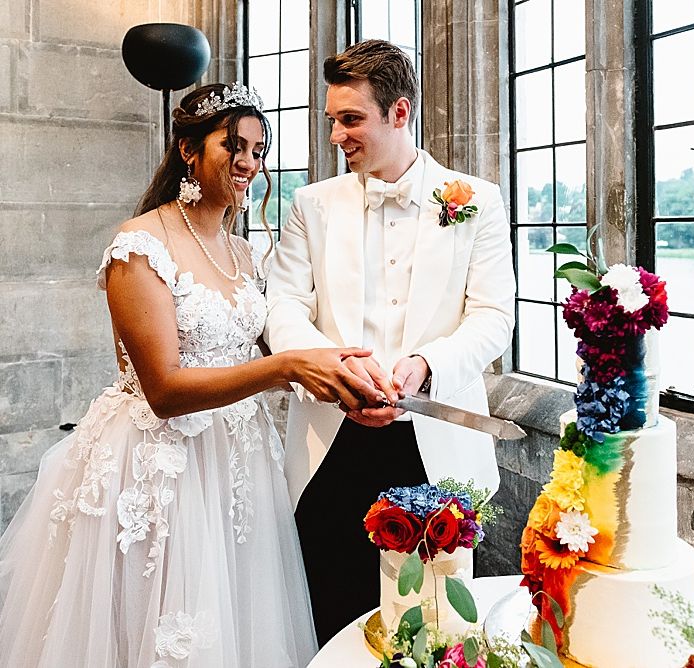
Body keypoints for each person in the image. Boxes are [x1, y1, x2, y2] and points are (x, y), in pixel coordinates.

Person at [0, 82, 383, 667]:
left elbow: (277, 346)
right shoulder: (141, 245)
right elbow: (163, 389)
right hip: (160, 465)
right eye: (234, 146)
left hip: (238, 468)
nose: (248, 164)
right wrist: (283, 366)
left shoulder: (246, 254)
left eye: (258, 151)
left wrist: (344, 376)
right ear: (188, 150)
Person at [265, 39, 516, 644]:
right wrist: (333, 369)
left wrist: (425, 366)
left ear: (399, 113)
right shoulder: (311, 205)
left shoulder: (474, 200)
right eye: (332, 120)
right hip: (331, 443)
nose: (335, 136)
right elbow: (281, 306)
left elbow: (493, 317)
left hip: (436, 446)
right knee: (333, 613)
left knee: (435, 624)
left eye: (351, 119)